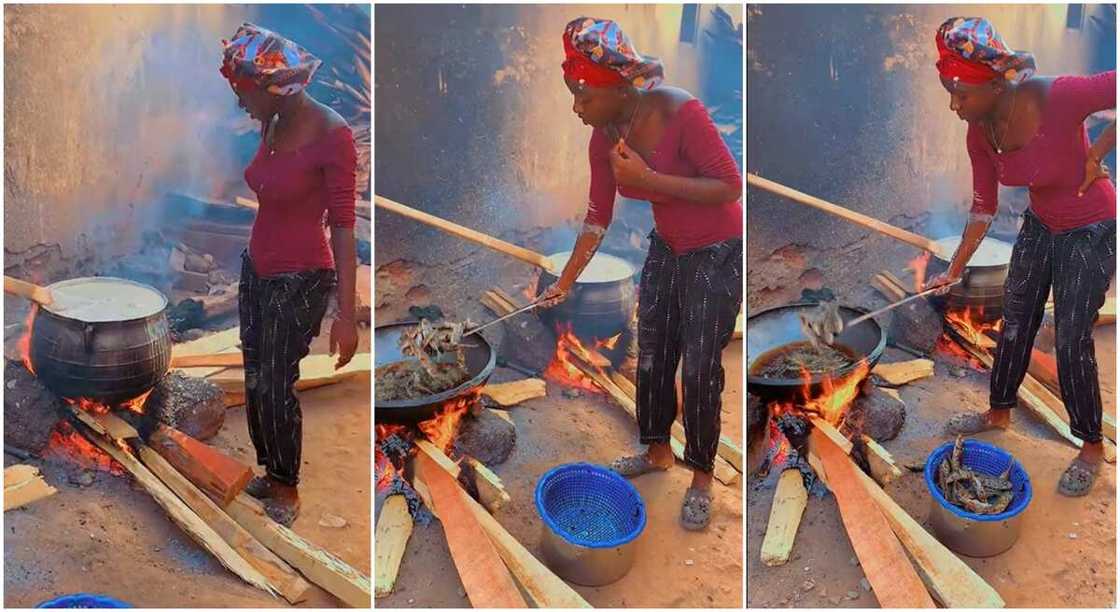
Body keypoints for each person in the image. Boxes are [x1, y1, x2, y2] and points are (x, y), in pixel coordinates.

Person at [541, 17, 743, 530]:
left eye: (583, 96)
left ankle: (701, 476)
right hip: (667, 249)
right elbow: (595, 218)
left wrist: (650, 179)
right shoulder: (604, 138)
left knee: (698, 369)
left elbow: (729, 188)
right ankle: (657, 451)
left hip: (715, 253)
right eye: (572, 94)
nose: (574, 108)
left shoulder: (681, 112)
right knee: (652, 355)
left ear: (615, 87)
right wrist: (565, 282)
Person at [927, 17, 1116, 496]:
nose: (953, 105)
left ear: (995, 84)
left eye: (961, 94)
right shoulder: (980, 131)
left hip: (1091, 227)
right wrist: (953, 269)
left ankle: (1091, 446)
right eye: (949, 91)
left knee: (1072, 337)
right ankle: (999, 412)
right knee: (1014, 320)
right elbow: (982, 206)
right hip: (1041, 224)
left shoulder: (1060, 95)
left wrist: (1101, 146)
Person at [220, 23, 359, 524]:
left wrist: (347, 314)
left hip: (299, 281)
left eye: (244, 92)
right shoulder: (273, 120)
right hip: (256, 269)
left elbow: (344, 227)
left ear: (274, 87)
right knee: (256, 378)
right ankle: (270, 470)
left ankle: (286, 488)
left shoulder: (332, 134)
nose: (240, 103)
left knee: (277, 384)